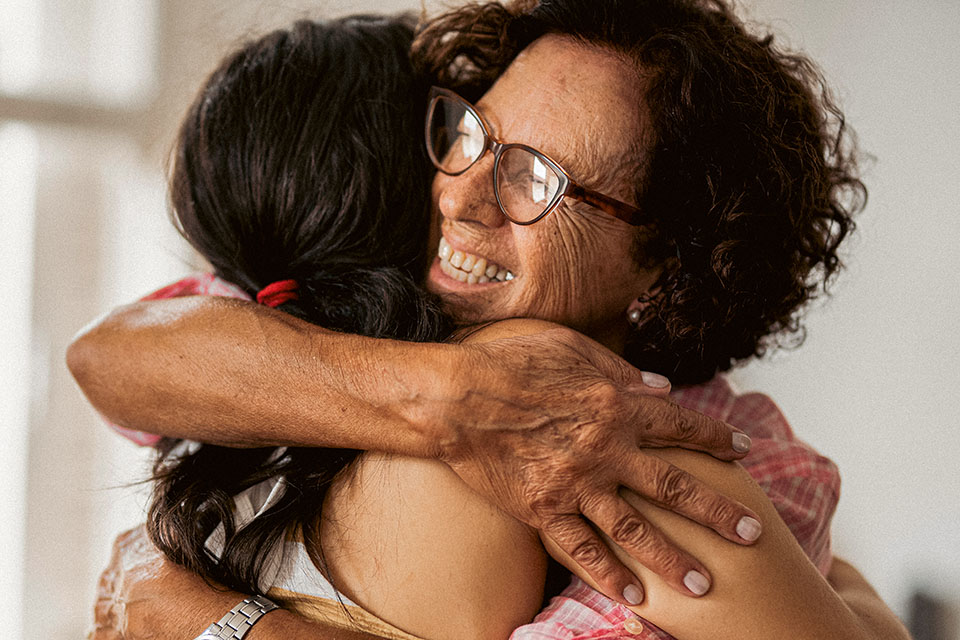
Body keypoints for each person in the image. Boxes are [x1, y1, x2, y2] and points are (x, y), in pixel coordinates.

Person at [69, 0, 911, 638]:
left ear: (664, 267)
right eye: (472, 135)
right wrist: (454, 397)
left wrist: (212, 621)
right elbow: (110, 355)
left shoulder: (680, 481)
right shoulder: (356, 327)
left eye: (537, 178)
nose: (461, 196)